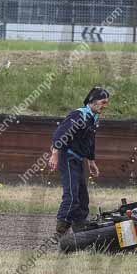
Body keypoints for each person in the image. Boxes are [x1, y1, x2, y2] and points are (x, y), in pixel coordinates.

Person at [47, 87, 110, 239]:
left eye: (107, 103)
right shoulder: (79, 115)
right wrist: (54, 155)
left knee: (83, 199)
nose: (105, 106)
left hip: (79, 159)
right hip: (67, 158)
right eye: (103, 102)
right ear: (93, 101)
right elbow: (59, 134)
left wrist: (91, 161)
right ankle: (60, 234)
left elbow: (89, 141)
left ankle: (81, 233)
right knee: (71, 197)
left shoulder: (93, 117)